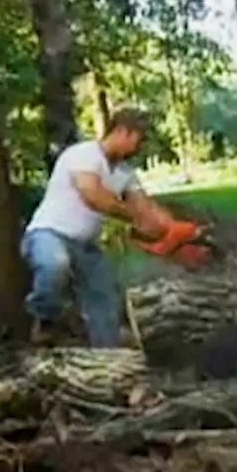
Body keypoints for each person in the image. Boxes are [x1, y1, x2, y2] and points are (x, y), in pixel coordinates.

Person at [21, 108, 199, 347]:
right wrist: (133, 217)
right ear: (123, 131)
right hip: (48, 234)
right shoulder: (84, 154)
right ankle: (45, 320)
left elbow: (147, 209)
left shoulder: (125, 174)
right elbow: (92, 195)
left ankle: (107, 356)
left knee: (104, 299)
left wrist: (181, 232)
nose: (141, 146)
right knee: (55, 264)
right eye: (140, 138)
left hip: (85, 245)